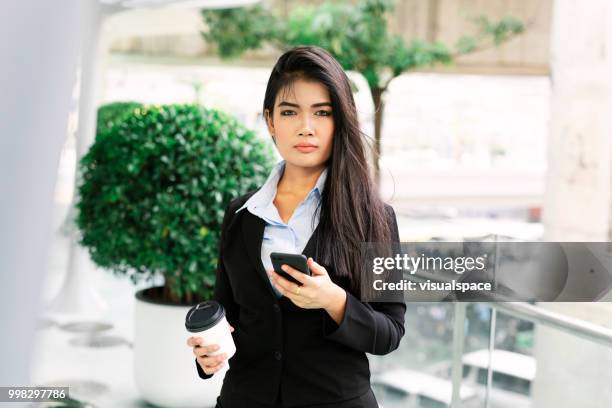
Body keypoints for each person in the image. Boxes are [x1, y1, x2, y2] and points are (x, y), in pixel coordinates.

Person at [186, 45, 406, 408]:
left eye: (322, 113)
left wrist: (333, 300)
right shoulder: (241, 213)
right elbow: (228, 313)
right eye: (290, 112)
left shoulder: (374, 218)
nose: (306, 127)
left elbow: (389, 333)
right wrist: (208, 353)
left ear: (340, 122)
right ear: (270, 121)